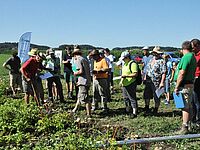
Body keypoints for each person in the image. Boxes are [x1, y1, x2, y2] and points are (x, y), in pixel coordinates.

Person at [174, 41, 196, 134]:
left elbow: (182, 73)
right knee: (189, 106)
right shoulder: (193, 57)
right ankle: (190, 125)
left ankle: (185, 127)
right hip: (189, 84)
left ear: (183, 49)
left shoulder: (186, 57)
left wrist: (176, 86)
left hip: (184, 85)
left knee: (185, 107)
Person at [144, 46, 167, 114]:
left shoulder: (162, 61)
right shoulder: (151, 59)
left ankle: (155, 109)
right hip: (148, 80)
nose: (155, 54)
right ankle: (147, 107)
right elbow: (147, 69)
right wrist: (145, 77)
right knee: (146, 94)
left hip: (156, 81)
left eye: (157, 53)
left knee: (156, 95)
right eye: (154, 53)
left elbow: (163, 72)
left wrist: (162, 82)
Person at [70, 46, 92, 117]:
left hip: (83, 81)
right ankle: (75, 110)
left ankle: (89, 114)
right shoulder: (84, 59)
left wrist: (75, 73)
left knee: (85, 98)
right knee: (80, 97)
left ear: (75, 54)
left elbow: (80, 71)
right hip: (86, 80)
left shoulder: (78, 60)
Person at [119, 51, 138, 118]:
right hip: (125, 84)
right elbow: (123, 74)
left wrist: (127, 76)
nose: (123, 59)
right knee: (126, 98)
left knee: (132, 98)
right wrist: (121, 81)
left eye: (124, 58)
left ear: (127, 57)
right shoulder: (125, 64)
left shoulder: (132, 64)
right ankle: (128, 110)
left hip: (131, 83)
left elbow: (135, 73)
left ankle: (134, 112)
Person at [191, 39, 200, 124]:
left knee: (197, 101)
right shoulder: (194, 55)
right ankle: (193, 118)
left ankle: (198, 120)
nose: (191, 48)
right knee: (193, 100)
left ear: (197, 46)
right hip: (193, 78)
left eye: (192, 47)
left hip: (198, 78)